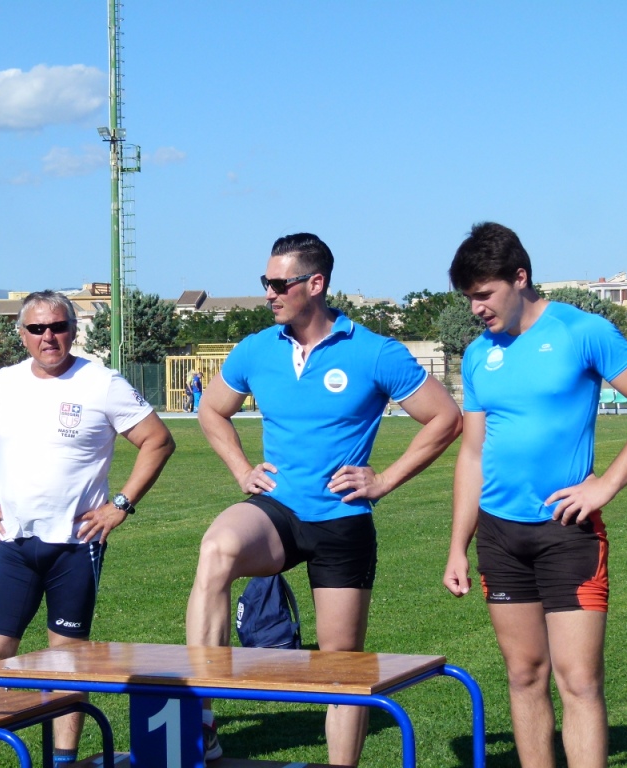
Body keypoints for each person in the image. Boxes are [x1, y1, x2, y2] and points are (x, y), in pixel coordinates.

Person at [186, 233, 463, 766]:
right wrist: (242, 468)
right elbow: (212, 409)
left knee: (343, 668)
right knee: (216, 548)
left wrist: (384, 480)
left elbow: (445, 418)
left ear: (315, 284)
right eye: (265, 282)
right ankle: (201, 718)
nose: (268, 293)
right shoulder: (257, 348)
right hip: (278, 510)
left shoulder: (374, 351)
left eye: (278, 283)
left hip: (342, 520)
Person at [442, 223, 627, 768]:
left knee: (579, 681)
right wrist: (458, 546)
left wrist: (606, 483)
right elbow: (472, 454)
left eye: (484, 294)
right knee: (524, 676)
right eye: (469, 297)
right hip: (499, 536)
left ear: (519, 277)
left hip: (566, 533)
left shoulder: (582, 331)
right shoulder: (478, 354)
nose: (476, 308)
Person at [0, 290, 175, 768]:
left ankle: (64, 761)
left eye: (58, 327)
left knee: (67, 661)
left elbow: (158, 440)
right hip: (15, 543)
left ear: (73, 331)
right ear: (22, 334)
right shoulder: (5, 384)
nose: (48, 337)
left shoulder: (102, 383)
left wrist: (120, 505)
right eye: (37, 329)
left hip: (77, 546)